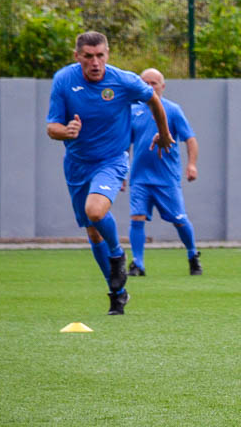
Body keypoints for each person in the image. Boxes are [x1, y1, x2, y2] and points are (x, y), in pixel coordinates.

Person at [46, 31, 174, 315]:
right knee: (93, 234)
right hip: (77, 165)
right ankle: (118, 293)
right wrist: (65, 131)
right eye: (89, 56)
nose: (95, 62)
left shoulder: (123, 80)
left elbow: (153, 98)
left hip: (112, 161)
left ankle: (117, 253)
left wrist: (163, 134)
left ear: (107, 54)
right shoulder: (64, 81)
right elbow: (51, 127)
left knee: (95, 211)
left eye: (100, 55)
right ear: (77, 56)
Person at [126, 68, 203, 277]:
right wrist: (121, 173)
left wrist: (192, 165)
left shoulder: (173, 110)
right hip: (140, 177)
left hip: (166, 178)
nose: (150, 87)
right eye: (146, 83)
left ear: (163, 86)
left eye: (154, 83)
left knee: (179, 219)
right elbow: (125, 144)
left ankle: (192, 254)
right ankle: (138, 263)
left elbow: (190, 139)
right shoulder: (133, 110)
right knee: (137, 217)